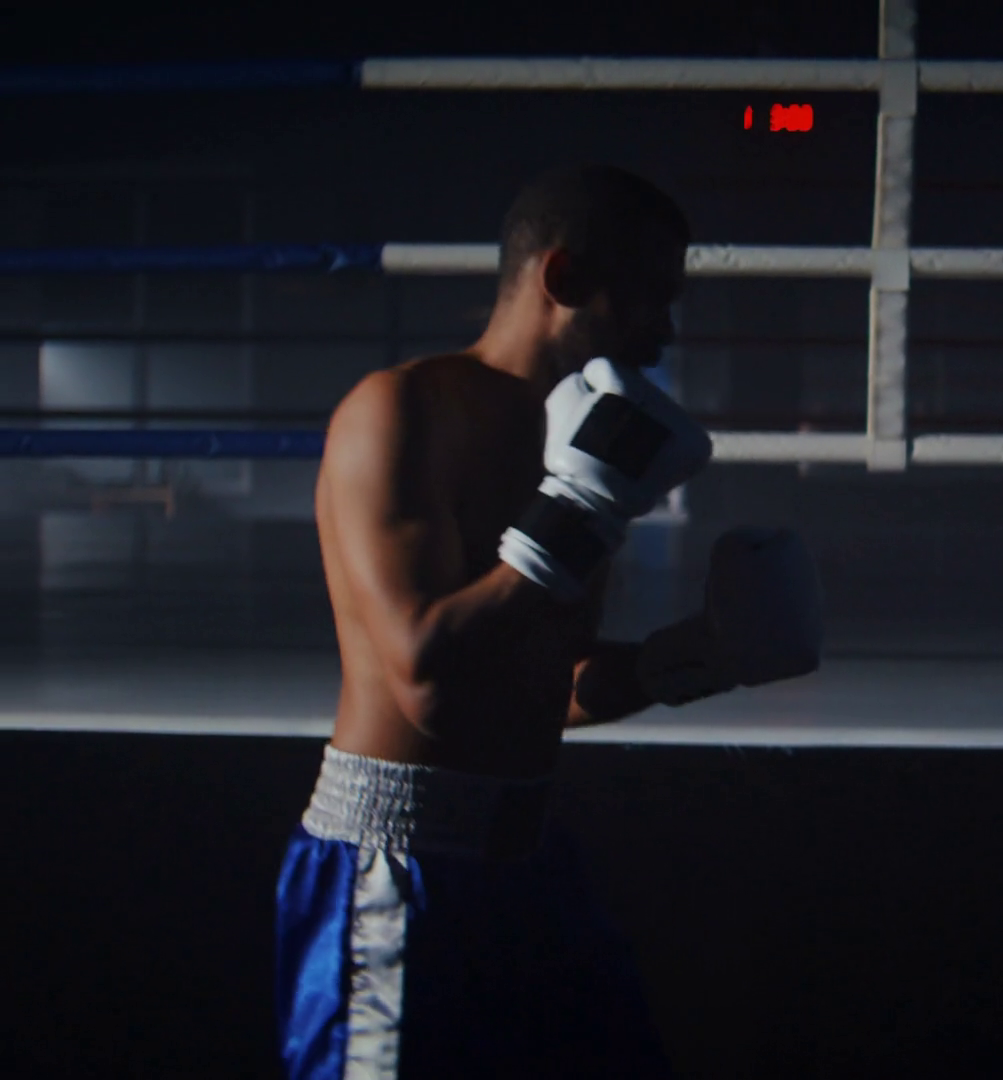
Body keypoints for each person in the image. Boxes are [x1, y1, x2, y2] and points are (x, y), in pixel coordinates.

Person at [274, 164, 822, 1079]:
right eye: (647, 299)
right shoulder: (401, 410)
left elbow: (542, 682)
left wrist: (693, 660)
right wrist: (579, 510)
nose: (664, 331)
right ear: (562, 279)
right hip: (396, 869)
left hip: (529, 864)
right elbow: (425, 678)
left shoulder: (582, 435)